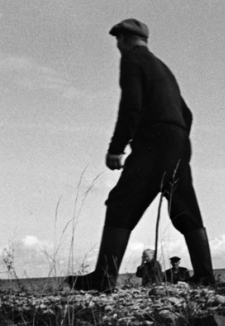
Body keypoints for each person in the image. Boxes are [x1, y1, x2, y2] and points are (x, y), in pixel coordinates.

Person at [66, 18, 215, 292]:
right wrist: (176, 144)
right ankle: (206, 277)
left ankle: (104, 277)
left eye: (118, 41)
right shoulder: (162, 67)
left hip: (154, 142)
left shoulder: (132, 61)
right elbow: (188, 114)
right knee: (186, 209)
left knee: (121, 203)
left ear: (123, 39)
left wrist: (116, 148)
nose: (118, 46)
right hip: (179, 142)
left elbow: (131, 107)